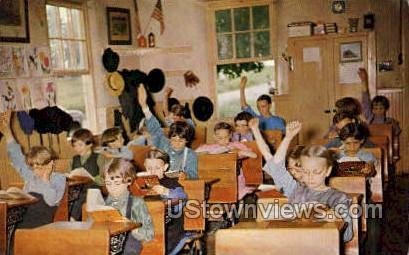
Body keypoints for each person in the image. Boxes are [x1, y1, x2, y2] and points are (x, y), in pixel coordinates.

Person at [249, 118, 353, 242]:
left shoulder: (339, 198)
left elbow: (347, 235)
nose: (310, 177)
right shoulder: (295, 190)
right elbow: (276, 167)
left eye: (316, 172)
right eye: (305, 171)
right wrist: (288, 137)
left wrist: (335, 219)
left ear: (328, 171)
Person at [0, 111, 66, 228]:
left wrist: (45, 178)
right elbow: (17, 158)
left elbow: (51, 201)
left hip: (40, 221)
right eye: (33, 167)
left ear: (50, 163)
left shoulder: (59, 179)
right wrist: (8, 133)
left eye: (39, 167)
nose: (36, 171)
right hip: (24, 216)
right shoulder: (32, 175)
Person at [137, 85, 198, 179]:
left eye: (181, 141)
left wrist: (186, 176)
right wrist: (144, 107)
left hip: (178, 188)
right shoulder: (163, 143)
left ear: (187, 140)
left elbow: (194, 175)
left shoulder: (190, 154)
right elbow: (155, 129)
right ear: (169, 138)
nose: (177, 144)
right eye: (173, 140)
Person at [103, 158, 154, 255]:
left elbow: (149, 234)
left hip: (129, 249)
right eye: (108, 183)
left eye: (117, 183)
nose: (112, 188)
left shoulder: (136, 203)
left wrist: (135, 229)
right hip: (107, 248)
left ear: (128, 181)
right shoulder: (105, 203)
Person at [196, 122, 257, 200]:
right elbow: (193, 154)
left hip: (233, 179)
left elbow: (253, 155)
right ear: (214, 137)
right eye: (220, 138)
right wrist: (206, 153)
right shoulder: (209, 147)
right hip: (214, 178)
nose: (223, 141)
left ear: (230, 135)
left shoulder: (235, 145)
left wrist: (238, 151)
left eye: (226, 137)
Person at [143, 148, 187, 254]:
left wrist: (167, 192)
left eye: (157, 168)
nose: (153, 171)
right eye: (149, 168)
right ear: (145, 167)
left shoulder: (171, 183)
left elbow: (183, 197)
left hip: (170, 223)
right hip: (149, 223)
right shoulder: (143, 184)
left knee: (164, 244)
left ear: (165, 167)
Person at [69, 128, 106, 220]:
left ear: (90, 144)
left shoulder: (99, 157)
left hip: (95, 187)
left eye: (80, 145)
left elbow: (103, 178)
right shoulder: (74, 159)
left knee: (83, 194)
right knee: (70, 196)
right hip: (78, 188)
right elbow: (71, 175)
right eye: (74, 146)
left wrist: (92, 178)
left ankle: (72, 219)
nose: (77, 148)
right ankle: (68, 219)